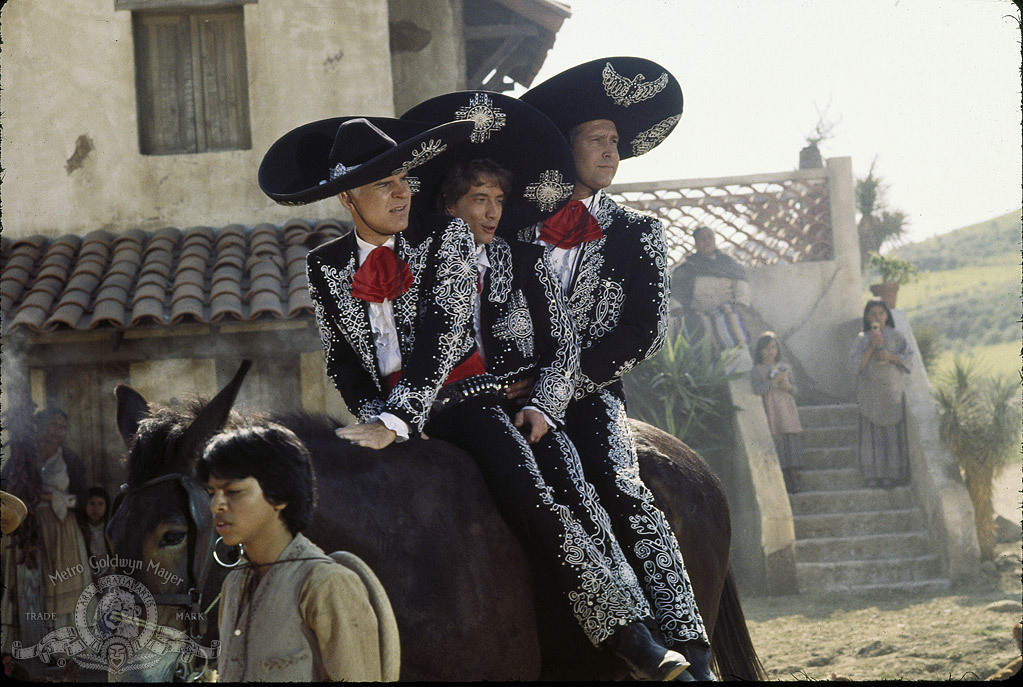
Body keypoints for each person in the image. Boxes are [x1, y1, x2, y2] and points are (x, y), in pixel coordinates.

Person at [261, 113, 691, 680]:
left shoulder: (446, 238)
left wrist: (399, 416)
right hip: (386, 414)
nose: (399, 194)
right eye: (382, 186)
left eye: (403, 182)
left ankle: (630, 635)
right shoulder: (324, 266)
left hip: (464, 403)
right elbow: (343, 359)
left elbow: (443, 332)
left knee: (533, 496)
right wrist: (373, 416)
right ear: (349, 199)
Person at [520, 56, 714, 679]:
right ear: (565, 146)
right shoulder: (516, 228)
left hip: (591, 394)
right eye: (597, 140)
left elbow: (642, 333)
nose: (611, 151)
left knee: (621, 485)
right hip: (509, 395)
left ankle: (692, 646)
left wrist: (559, 386)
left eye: (615, 142)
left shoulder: (640, 233)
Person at [200, 423, 399, 682]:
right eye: (211, 493)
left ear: (279, 496)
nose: (216, 506)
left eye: (233, 491)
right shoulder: (233, 584)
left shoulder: (326, 584)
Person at [850, 298, 912, 488]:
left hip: (891, 392)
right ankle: (873, 475)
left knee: (891, 434)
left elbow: (909, 359)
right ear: (867, 317)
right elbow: (855, 366)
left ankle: (892, 475)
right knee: (872, 434)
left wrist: (890, 357)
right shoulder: (862, 339)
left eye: (881, 313)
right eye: (873, 314)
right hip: (870, 391)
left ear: (887, 316)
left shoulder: (897, 336)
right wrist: (871, 347)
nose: (877, 317)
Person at [673, 225, 751, 358]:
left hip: (726, 312)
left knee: (735, 342)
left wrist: (740, 305)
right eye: (702, 239)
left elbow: (741, 284)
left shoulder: (729, 264)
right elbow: (675, 291)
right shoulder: (688, 267)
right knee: (695, 342)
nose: (707, 241)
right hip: (697, 313)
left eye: (710, 237)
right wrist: (676, 308)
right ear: (696, 243)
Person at [751, 332, 804, 493]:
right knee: (778, 443)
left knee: (791, 442)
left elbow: (796, 391)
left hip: (787, 410)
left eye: (773, 347)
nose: (770, 351)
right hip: (771, 410)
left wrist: (789, 387)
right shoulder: (757, 370)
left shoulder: (786, 368)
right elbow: (758, 389)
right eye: (766, 348)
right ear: (760, 351)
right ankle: (782, 479)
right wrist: (773, 382)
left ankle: (794, 476)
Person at [80, 487, 111, 576]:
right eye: (92, 504)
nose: (96, 508)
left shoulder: (109, 529)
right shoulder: (81, 530)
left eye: (100, 504)